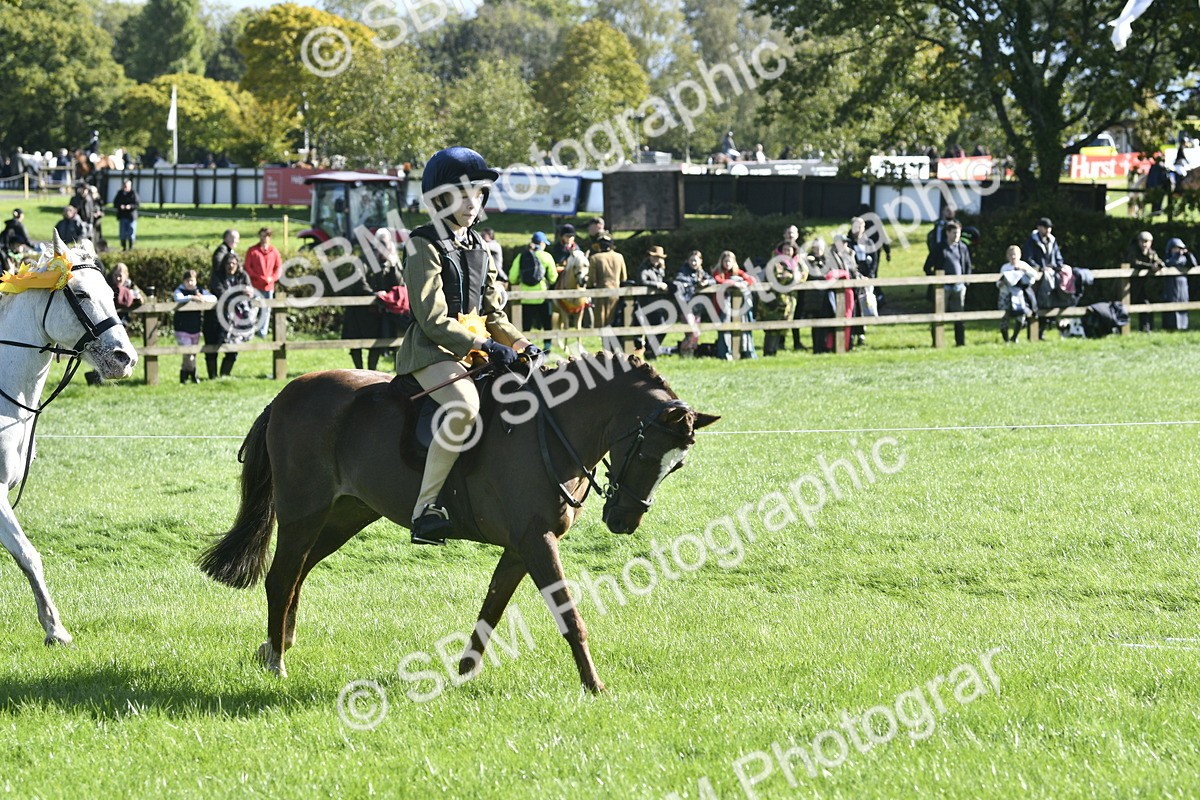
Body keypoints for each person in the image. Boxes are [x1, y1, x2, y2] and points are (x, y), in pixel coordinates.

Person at [397, 146, 536, 545]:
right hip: (431, 352)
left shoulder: (481, 247)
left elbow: (495, 314)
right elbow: (432, 320)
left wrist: (522, 343)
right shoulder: (422, 244)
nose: (472, 204)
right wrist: (487, 346)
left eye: (478, 195)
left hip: (475, 351)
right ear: (440, 199)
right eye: (462, 195)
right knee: (465, 406)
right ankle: (425, 511)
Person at [84, 263, 143, 386]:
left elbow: (144, 298)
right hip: (108, 324)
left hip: (124, 323)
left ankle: (117, 373)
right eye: (116, 275)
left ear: (126, 276)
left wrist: (135, 298)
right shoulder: (107, 286)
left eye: (121, 275)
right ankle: (97, 375)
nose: (118, 278)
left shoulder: (132, 286)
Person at [204, 250, 252, 379]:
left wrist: (247, 293)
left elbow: (248, 291)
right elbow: (221, 292)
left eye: (233, 263)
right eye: (228, 263)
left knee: (233, 349)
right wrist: (239, 293)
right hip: (216, 318)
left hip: (236, 318)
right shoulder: (217, 276)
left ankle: (224, 375)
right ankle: (212, 377)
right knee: (212, 347)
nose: (231, 266)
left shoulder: (243, 276)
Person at [924, 220, 972, 346]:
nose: (956, 236)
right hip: (943, 287)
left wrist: (966, 282)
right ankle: (937, 342)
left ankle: (960, 343)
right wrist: (935, 282)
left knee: (959, 316)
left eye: (958, 233)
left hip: (959, 286)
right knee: (939, 315)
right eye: (954, 233)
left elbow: (968, 266)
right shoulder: (939, 248)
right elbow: (927, 266)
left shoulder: (963, 247)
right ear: (947, 233)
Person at [508, 231, 555, 350]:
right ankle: (547, 347)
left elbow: (512, 277)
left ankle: (525, 348)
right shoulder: (546, 256)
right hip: (542, 296)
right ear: (541, 243)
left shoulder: (521, 256)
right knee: (546, 323)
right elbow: (553, 277)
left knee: (526, 326)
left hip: (525, 298)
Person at [758, 243, 804, 356]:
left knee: (781, 328)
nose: (787, 252)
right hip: (774, 301)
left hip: (789, 301)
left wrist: (795, 277)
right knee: (771, 328)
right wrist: (794, 277)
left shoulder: (797, 263)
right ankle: (768, 351)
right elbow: (778, 279)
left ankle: (774, 351)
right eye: (785, 250)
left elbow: (804, 275)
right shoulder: (775, 262)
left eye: (789, 250)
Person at [711, 250, 757, 359]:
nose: (727, 264)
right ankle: (725, 353)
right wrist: (733, 283)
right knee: (724, 327)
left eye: (729, 261)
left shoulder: (737, 272)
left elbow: (751, 279)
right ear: (721, 262)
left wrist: (745, 283)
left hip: (738, 308)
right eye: (725, 261)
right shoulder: (718, 272)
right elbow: (718, 280)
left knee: (741, 327)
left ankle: (743, 351)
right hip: (721, 306)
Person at [173, 269, 215, 383]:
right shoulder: (180, 290)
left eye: (192, 280)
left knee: (191, 354)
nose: (190, 283)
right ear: (184, 281)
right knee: (189, 353)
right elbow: (177, 297)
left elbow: (213, 298)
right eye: (188, 281)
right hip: (182, 327)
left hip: (195, 328)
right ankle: (193, 373)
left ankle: (184, 376)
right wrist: (191, 298)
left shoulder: (199, 290)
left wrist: (202, 298)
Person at [672, 250, 714, 355]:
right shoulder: (683, 271)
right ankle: (681, 351)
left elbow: (713, 280)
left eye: (695, 261)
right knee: (691, 331)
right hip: (686, 307)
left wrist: (706, 282)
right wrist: (694, 282)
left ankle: (690, 354)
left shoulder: (702, 272)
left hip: (697, 307)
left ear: (700, 261)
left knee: (695, 335)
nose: (693, 263)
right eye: (691, 260)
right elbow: (679, 280)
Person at [243, 227, 282, 338]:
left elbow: (278, 267)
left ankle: (262, 332)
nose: (264, 238)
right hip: (255, 285)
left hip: (268, 286)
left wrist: (272, 278)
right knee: (252, 308)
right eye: (262, 235)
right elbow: (248, 267)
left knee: (266, 309)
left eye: (266, 236)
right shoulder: (252, 251)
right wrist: (258, 277)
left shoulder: (274, 251)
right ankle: (250, 331)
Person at [634, 245, 671, 357]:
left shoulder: (660, 269)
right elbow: (642, 281)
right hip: (646, 304)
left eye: (659, 257)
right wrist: (657, 285)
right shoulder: (644, 268)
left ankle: (650, 350)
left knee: (662, 329)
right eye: (654, 257)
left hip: (657, 304)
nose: (656, 259)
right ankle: (649, 351)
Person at [997, 246, 1039, 343]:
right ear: (1007, 256)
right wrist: (1001, 283)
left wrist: (1024, 270)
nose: (1013, 257)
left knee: (1021, 315)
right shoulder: (1005, 267)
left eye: (1015, 254)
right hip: (1005, 295)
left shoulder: (1023, 265)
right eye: (1010, 255)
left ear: (1019, 255)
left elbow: (1035, 275)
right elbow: (998, 282)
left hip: (1019, 296)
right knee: (1004, 316)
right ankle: (1006, 340)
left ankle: (1014, 337)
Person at [587, 232, 627, 329]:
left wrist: (589, 288)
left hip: (600, 293)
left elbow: (591, 279)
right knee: (613, 318)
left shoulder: (594, 258)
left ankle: (605, 341)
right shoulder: (619, 257)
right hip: (615, 292)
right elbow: (624, 277)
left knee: (601, 320)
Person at [1127, 230, 1164, 332]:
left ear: (1150, 242)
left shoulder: (1152, 253)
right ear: (1138, 242)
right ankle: (1129, 329)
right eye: (1142, 241)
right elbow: (1135, 262)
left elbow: (1158, 261)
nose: (1144, 244)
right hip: (1132, 284)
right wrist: (1150, 267)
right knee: (1130, 305)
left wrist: (1159, 265)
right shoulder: (1133, 250)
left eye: (1147, 241)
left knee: (1147, 305)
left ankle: (1148, 329)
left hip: (1146, 285)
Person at [1161, 238, 1193, 331]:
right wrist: (1176, 256)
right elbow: (1168, 263)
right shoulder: (1167, 258)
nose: (1178, 250)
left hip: (1182, 285)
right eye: (1175, 248)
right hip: (1171, 285)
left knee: (1183, 302)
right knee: (1171, 303)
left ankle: (1183, 326)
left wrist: (1188, 254)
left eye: (1179, 248)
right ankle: (1170, 326)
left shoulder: (1185, 259)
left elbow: (1194, 264)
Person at [113, 178, 139, 250]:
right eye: (124, 186)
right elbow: (115, 203)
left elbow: (137, 204)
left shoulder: (133, 194)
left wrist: (130, 206)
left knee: (131, 233)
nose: (125, 187)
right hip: (122, 216)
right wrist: (120, 206)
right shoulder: (120, 193)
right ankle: (124, 248)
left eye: (127, 186)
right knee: (122, 234)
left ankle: (131, 248)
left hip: (131, 216)